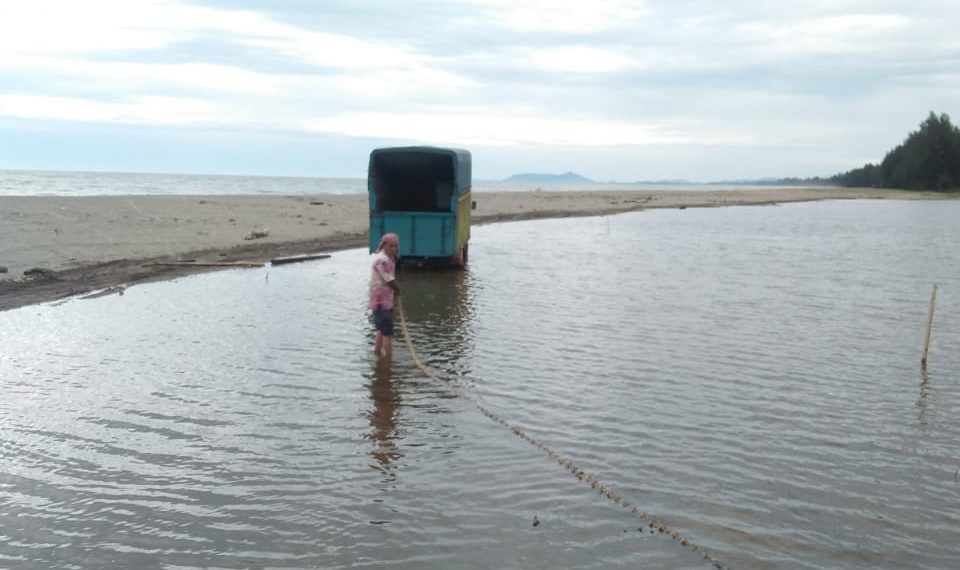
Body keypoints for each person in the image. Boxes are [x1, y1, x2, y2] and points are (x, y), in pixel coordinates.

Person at [369, 233, 400, 358]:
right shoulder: (381, 260)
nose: (394, 249)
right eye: (391, 246)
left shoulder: (388, 258)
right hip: (381, 301)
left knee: (381, 329)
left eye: (396, 246)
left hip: (385, 299)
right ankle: (388, 359)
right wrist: (397, 289)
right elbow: (388, 278)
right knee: (387, 332)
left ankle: (377, 355)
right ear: (384, 245)